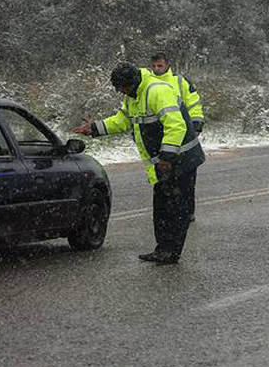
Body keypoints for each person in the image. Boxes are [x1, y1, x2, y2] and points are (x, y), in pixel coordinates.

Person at [72, 62, 204, 264]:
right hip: (164, 162)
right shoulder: (134, 96)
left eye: (124, 87)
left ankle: (171, 252)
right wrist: (95, 128)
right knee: (162, 208)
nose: (122, 92)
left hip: (181, 159)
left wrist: (167, 157)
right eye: (119, 89)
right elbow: (123, 120)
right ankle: (163, 249)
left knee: (177, 208)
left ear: (133, 82)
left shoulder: (157, 91)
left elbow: (175, 125)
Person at [148, 53, 204, 222]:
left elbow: (193, 102)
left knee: (186, 179)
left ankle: (187, 213)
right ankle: (168, 213)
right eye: (154, 66)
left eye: (160, 66)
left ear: (167, 65)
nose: (157, 69)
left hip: (183, 137)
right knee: (164, 180)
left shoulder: (179, 81)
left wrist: (196, 122)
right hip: (160, 138)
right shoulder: (148, 83)